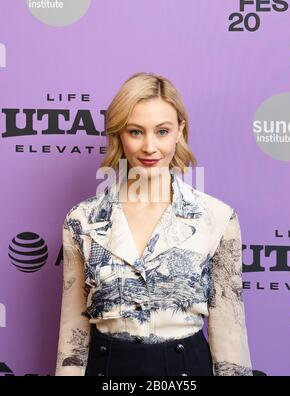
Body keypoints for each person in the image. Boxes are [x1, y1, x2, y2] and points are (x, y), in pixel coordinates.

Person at [55, 72, 253, 376]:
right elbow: (74, 333)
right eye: (136, 132)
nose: (149, 147)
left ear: (180, 131)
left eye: (162, 131)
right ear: (120, 134)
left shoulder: (217, 217)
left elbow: (231, 333)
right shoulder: (81, 220)